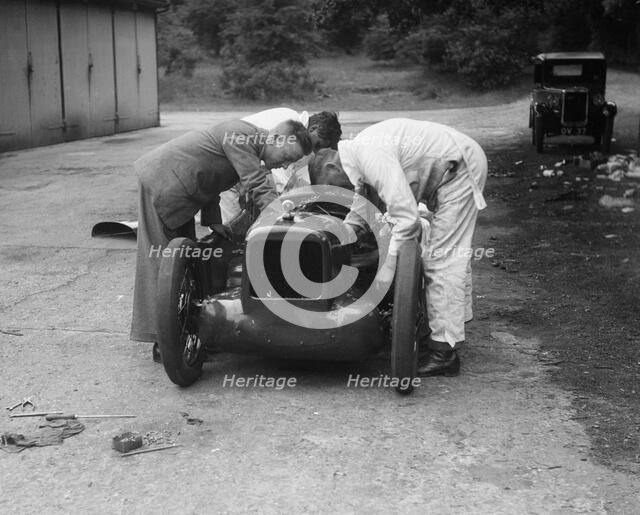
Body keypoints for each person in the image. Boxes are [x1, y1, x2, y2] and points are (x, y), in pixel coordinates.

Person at [307, 118, 487, 377]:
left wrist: (387, 270)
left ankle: (444, 353)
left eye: (335, 187)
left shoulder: (370, 155)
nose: (341, 193)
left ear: (332, 165)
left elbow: (407, 219)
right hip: (452, 163)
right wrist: (342, 233)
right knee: (448, 256)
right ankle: (450, 330)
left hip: (457, 170)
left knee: (442, 260)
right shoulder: (357, 155)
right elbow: (362, 203)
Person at [130, 118, 313, 354]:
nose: (284, 165)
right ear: (277, 138)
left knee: (187, 264)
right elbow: (255, 181)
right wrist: (281, 217)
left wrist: (213, 220)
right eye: (286, 157)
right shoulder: (241, 136)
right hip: (161, 182)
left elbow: (212, 174)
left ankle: (184, 329)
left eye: (291, 162)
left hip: (182, 191)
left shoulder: (247, 143)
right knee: (163, 264)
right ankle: (163, 341)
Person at [220, 108, 342, 223]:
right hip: (229, 163)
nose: (315, 150)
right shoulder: (291, 128)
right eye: (318, 144)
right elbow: (278, 180)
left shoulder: (294, 122)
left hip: (241, 163)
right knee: (231, 225)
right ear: (313, 129)